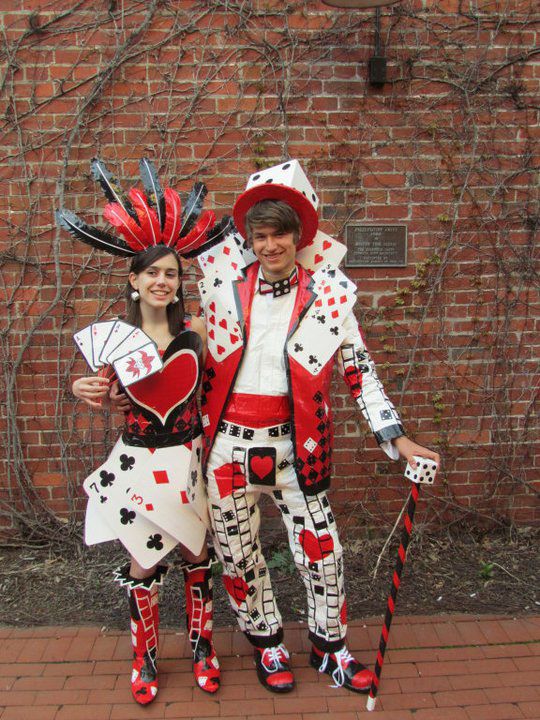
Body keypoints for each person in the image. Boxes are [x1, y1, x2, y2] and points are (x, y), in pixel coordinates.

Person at [197, 160, 440, 694]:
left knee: (323, 551)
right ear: (250, 240)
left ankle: (330, 649)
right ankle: (266, 643)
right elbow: (175, 349)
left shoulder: (330, 297)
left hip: (296, 446)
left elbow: (361, 373)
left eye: (279, 234)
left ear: (298, 236)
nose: (269, 245)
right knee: (238, 554)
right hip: (226, 450)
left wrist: (396, 438)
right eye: (259, 236)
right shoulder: (220, 291)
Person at [58, 159, 231, 704]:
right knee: (144, 560)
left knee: (198, 555)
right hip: (137, 463)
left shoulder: (199, 333)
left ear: (181, 282)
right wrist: (80, 389)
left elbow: (229, 379)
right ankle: (145, 657)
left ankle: (203, 648)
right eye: (152, 272)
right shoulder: (117, 342)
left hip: (189, 460)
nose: (162, 281)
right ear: (133, 280)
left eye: (171, 273)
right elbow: (99, 390)